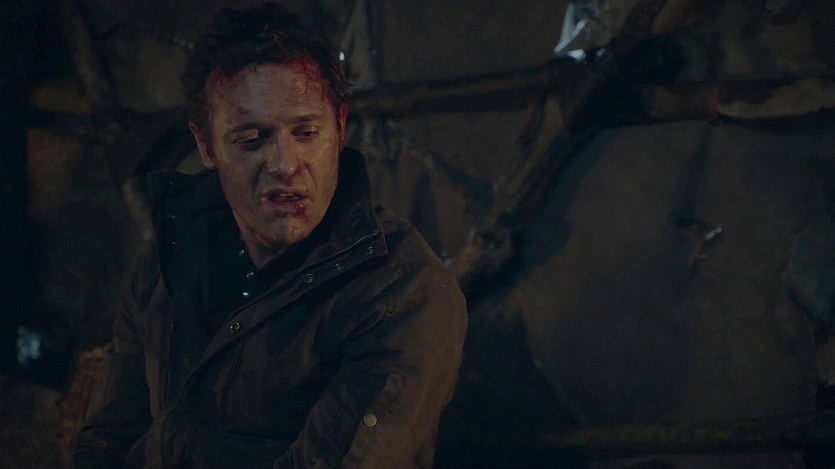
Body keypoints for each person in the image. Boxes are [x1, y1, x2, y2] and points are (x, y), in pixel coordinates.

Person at [72, 3, 467, 468]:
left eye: (306, 132)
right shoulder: (170, 257)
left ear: (340, 128)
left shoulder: (402, 294)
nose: (284, 164)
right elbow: (108, 439)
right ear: (206, 146)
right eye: (252, 139)